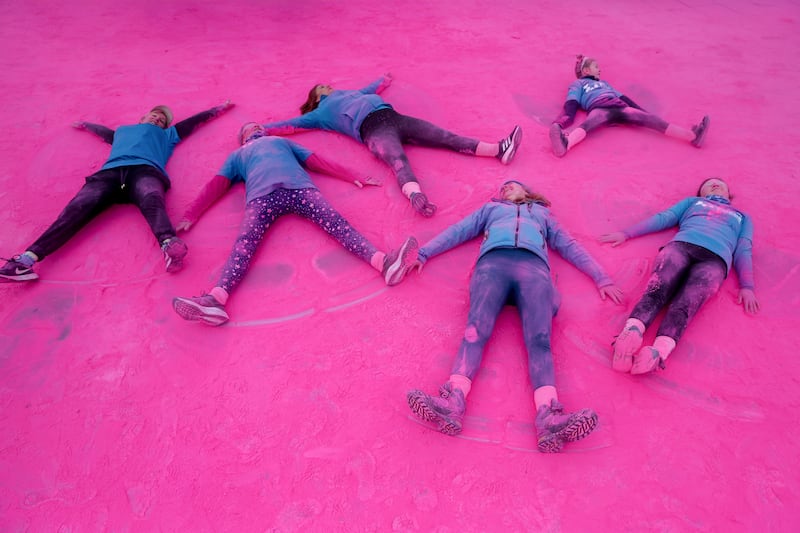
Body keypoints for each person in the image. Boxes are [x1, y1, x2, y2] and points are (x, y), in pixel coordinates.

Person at [405, 180, 623, 453]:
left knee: (540, 340)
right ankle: (452, 401)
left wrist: (601, 277)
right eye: (502, 188)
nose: (505, 188)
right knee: (475, 331)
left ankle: (549, 418)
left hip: (534, 271)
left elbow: (569, 245)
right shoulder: (491, 210)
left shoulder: (542, 215)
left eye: (512, 185)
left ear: (527, 192)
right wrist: (425, 253)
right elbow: (459, 230)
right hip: (493, 265)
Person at [171, 122, 419, 326]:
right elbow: (216, 185)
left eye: (256, 125)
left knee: (337, 224)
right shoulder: (237, 156)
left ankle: (384, 264)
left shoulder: (280, 141)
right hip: (261, 199)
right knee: (243, 245)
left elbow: (315, 160)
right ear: (242, 137)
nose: (254, 127)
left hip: (300, 189)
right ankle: (216, 300)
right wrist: (191, 214)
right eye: (247, 128)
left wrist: (353, 176)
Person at [0, 101, 234, 282]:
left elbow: (193, 122)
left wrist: (218, 109)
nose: (157, 119)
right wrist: (86, 126)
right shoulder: (122, 132)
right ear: (143, 117)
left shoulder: (167, 135)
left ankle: (168, 245)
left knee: (152, 197)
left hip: (145, 171)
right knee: (77, 207)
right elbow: (104, 133)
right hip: (110, 174)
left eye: (162, 120)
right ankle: (26, 260)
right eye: (154, 115)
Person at [259, 73, 523, 217]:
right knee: (398, 161)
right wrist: (263, 129)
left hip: (394, 117)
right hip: (372, 130)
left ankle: (499, 149)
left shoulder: (353, 94)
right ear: (316, 97)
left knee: (444, 136)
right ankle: (416, 196)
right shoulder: (317, 114)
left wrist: (383, 80)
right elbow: (292, 124)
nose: (328, 85)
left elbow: (370, 88)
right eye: (322, 87)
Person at [600, 177, 759, 374]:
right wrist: (627, 233)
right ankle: (631, 333)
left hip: (716, 261)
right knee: (657, 288)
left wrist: (747, 285)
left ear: (729, 193)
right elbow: (664, 218)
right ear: (701, 193)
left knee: (687, 303)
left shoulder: (742, 217)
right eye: (709, 183)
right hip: (681, 247)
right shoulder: (693, 202)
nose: (715, 184)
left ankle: (657, 352)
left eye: (720, 183)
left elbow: (744, 248)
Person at [549, 55, 710, 157]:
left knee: (655, 121)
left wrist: (643, 114)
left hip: (620, 107)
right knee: (587, 125)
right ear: (585, 70)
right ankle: (565, 145)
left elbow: (624, 98)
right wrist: (563, 121)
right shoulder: (578, 83)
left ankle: (692, 136)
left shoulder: (605, 84)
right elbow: (571, 103)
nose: (600, 69)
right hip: (599, 109)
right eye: (596, 66)